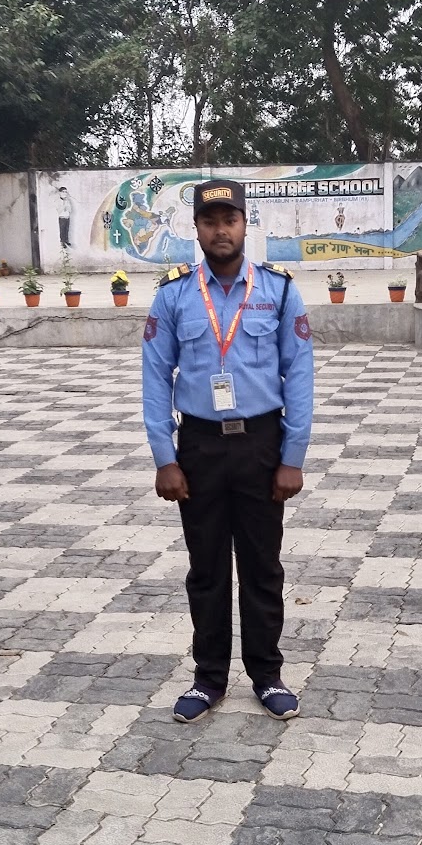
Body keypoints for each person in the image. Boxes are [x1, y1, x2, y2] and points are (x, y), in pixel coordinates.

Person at [142, 178, 314, 724]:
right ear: (196, 228)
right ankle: (208, 678)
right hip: (199, 447)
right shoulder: (173, 295)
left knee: (262, 567)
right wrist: (165, 458)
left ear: (245, 224)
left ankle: (267, 675)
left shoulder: (278, 291)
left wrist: (293, 456)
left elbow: (300, 374)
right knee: (207, 569)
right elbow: (154, 377)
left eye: (230, 219)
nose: (221, 230)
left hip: (261, 445)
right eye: (210, 221)